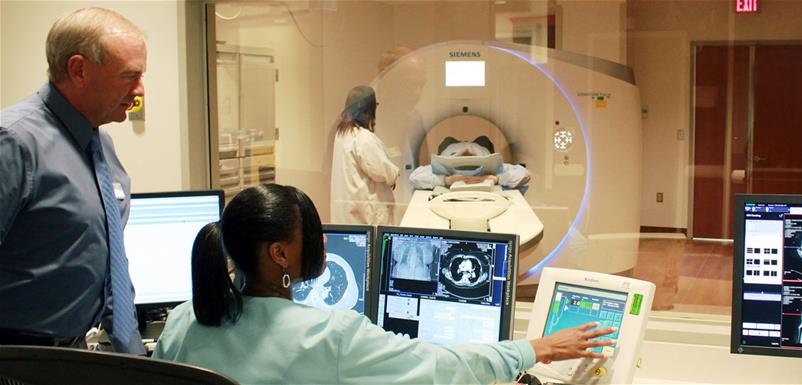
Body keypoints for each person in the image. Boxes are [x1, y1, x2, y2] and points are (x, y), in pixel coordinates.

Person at [153, 184, 616, 384]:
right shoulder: (328, 337)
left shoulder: (181, 321)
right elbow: (440, 367)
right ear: (280, 254)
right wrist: (537, 348)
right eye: (312, 235)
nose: (322, 242)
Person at [0, 7, 146, 354]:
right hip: (17, 357)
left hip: (75, 352)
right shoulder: (14, 142)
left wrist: (134, 353)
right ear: (79, 70)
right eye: (129, 76)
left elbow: (111, 258)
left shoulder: (101, 146)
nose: (139, 90)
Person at [330, 85, 400, 225]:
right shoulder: (363, 137)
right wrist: (394, 173)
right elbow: (381, 171)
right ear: (370, 110)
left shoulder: (342, 134)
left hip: (349, 213)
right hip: (365, 217)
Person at [409, 137, 531, 190]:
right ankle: (458, 153)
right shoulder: (443, 169)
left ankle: (475, 152)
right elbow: (414, 177)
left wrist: (495, 179)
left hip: (480, 152)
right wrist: (446, 180)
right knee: (448, 141)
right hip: (452, 152)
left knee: (483, 139)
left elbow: (524, 174)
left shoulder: (491, 168)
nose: (467, 151)